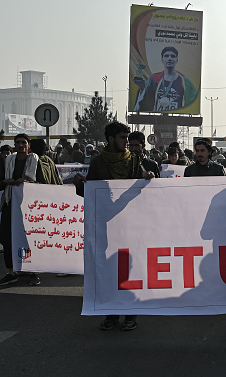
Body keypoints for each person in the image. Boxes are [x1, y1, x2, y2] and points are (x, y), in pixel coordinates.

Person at [73, 121, 154, 331]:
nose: (126, 142)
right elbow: (90, 193)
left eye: (127, 138)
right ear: (110, 139)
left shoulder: (134, 161)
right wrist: (80, 184)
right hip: (107, 225)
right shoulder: (99, 163)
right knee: (109, 269)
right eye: (122, 138)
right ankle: (111, 313)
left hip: (130, 224)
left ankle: (130, 313)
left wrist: (148, 178)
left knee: (128, 268)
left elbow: (142, 185)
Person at [0, 134, 45, 286]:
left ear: (28, 145)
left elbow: (42, 183)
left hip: (28, 208)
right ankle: (11, 271)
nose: (20, 145)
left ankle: (31, 271)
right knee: (7, 238)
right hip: (9, 204)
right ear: (14, 145)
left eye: (23, 142)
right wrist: (6, 181)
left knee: (28, 239)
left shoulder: (35, 161)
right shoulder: (7, 161)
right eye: (17, 142)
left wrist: (28, 182)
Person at [134, 46, 198, 112]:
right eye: (166, 56)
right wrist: (142, 88)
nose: (169, 58)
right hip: (156, 119)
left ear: (177, 60)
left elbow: (194, 102)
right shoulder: (154, 79)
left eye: (173, 56)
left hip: (177, 119)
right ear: (162, 59)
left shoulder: (184, 81)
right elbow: (145, 102)